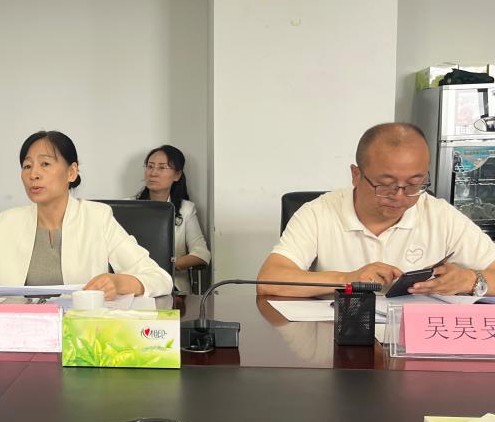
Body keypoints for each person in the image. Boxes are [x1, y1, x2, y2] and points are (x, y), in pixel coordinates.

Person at [257, 122, 495, 297]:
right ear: (356, 175)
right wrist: (348, 278)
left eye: (414, 184)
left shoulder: (439, 215)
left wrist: (471, 279)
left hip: (413, 340)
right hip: (336, 337)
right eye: (385, 185)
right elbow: (269, 280)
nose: (399, 196)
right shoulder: (318, 213)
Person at [0, 131, 172, 297]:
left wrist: (118, 282)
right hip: (21, 331)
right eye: (27, 166)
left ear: (71, 172)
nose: (34, 174)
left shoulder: (97, 218)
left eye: (45, 164)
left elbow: (159, 278)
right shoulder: (9, 221)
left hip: (82, 334)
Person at [135, 145, 210, 293]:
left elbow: (202, 254)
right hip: (136, 283)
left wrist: (171, 263)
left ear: (177, 175)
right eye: (150, 166)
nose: (153, 173)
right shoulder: (128, 207)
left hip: (173, 286)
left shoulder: (186, 209)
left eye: (162, 167)